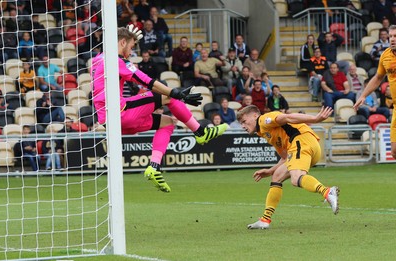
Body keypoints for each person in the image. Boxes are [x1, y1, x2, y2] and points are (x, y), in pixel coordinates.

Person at [92, 27, 228, 193]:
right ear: (122, 42)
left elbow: (115, 40)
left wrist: (126, 33)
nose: (131, 52)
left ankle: (154, 167)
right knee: (168, 95)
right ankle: (200, 132)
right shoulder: (117, 60)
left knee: (167, 123)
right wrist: (177, 93)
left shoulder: (98, 59)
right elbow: (146, 81)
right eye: (132, 47)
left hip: (109, 123)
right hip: (120, 113)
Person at [236, 105, 339, 229]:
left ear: (254, 116)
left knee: (296, 179)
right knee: (277, 175)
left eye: (244, 121)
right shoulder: (264, 132)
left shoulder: (264, 119)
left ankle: (327, 191)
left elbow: (288, 117)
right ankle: (265, 220)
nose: (242, 126)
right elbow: (285, 157)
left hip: (301, 141)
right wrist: (270, 171)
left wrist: (315, 119)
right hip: (306, 146)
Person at [354, 25, 396, 160]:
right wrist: (363, 95)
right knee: (394, 151)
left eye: (395, 36)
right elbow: (378, 78)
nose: (393, 39)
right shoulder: (385, 56)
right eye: (390, 37)